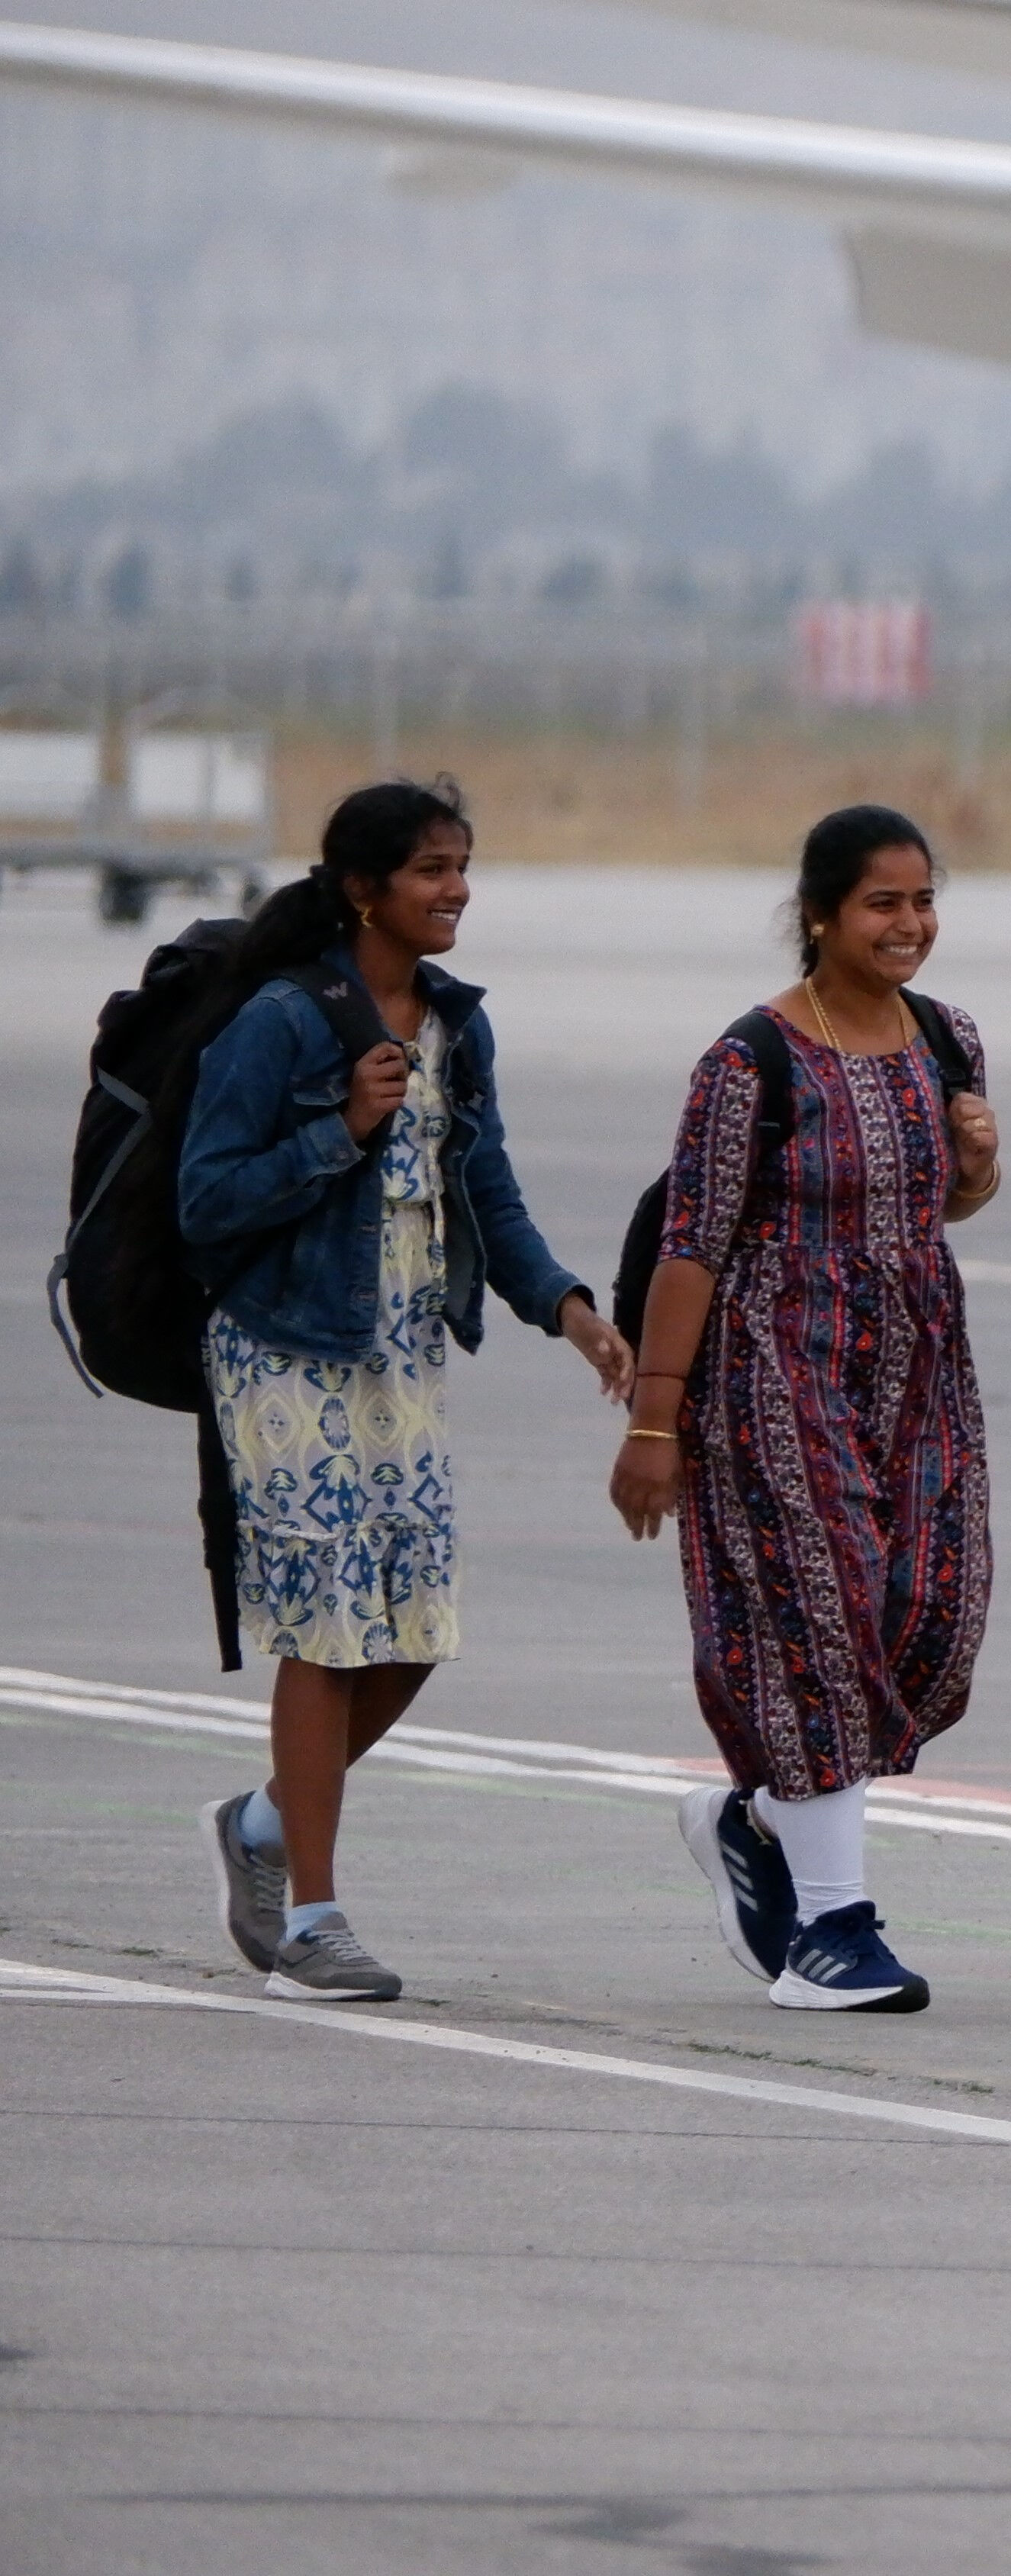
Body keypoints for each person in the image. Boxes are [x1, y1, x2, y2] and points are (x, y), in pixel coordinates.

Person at [182, 779, 636, 2004]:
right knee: (326, 1629)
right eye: (433, 869)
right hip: (285, 1347)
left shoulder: (454, 1024)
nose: (457, 890)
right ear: (362, 890)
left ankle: (261, 1826)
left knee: (416, 1631)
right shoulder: (283, 1020)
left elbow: (490, 1192)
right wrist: (339, 1127)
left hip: (403, 1354)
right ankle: (312, 1924)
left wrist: (570, 1310)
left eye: (463, 866)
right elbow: (206, 1201)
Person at [616, 805, 1003, 2014]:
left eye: (924, 900)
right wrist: (654, 1422)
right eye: (884, 903)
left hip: (917, 1365)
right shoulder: (749, 1062)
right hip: (774, 1364)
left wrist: (979, 1164)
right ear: (821, 914)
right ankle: (833, 1930)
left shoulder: (947, 1039)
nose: (910, 924)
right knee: (818, 1622)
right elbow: (690, 1245)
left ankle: (765, 1819)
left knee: (936, 1614)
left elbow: (940, 1204)